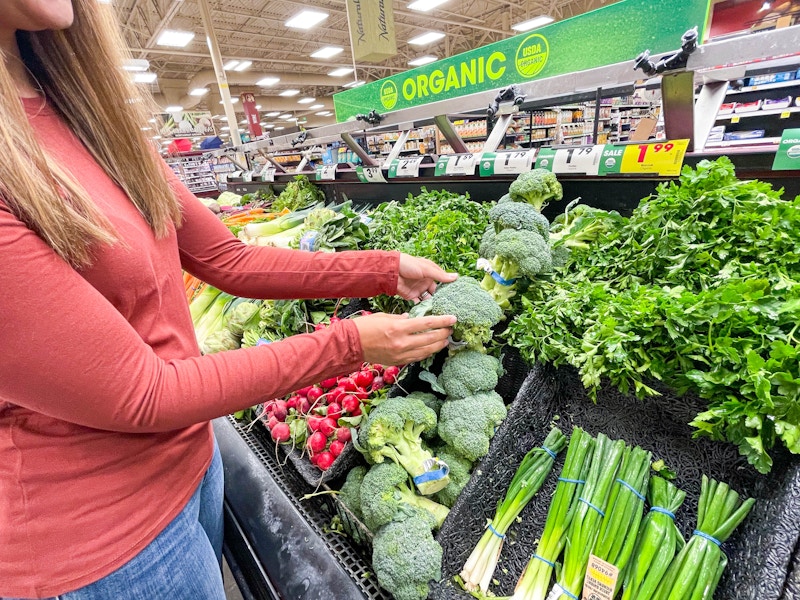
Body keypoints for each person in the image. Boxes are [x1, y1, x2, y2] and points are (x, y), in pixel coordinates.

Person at [0, 1, 457, 598]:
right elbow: (143, 394)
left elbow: (228, 259)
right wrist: (349, 343)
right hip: (102, 543)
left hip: (193, 461)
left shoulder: (86, 114)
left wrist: (381, 270)